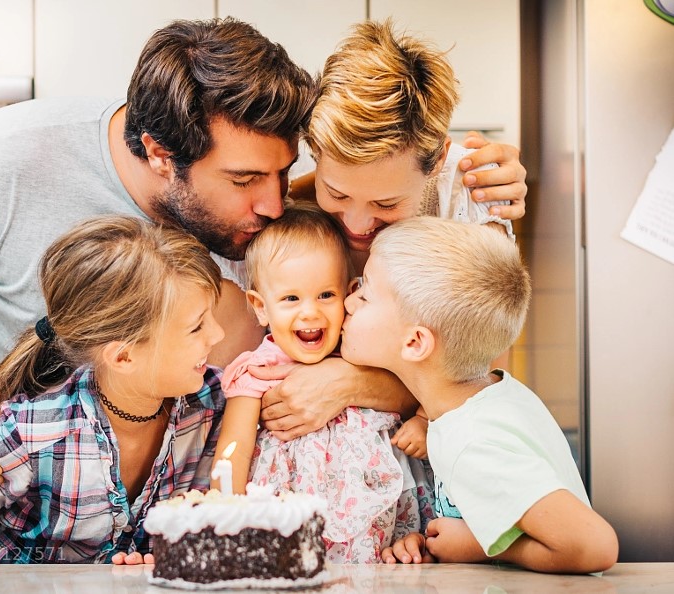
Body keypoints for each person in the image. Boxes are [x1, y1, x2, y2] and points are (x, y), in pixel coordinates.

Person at [0, 17, 526, 562]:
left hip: (129, 521)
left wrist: (352, 382)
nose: (273, 205)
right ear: (161, 155)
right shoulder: (5, 158)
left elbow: (453, 366)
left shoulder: (260, 219)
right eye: (243, 181)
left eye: (286, 172)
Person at [0, 216, 226, 574]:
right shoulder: (36, 429)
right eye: (197, 326)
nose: (218, 334)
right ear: (123, 356)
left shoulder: (213, 403)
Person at [259, 19, 526, 445]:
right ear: (314, 154)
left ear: (437, 162)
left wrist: (350, 382)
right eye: (336, 193)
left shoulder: (470, 193)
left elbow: (481, 378)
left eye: (386, 204)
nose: (358, 225)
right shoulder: (282, 193)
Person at [341, 217, 618, 574]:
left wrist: (480, 547)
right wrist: (437, 545)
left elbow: (593, 545)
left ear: (414, 342)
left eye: (365, 295)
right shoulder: (490, 396)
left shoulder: (472, 441)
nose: (348, 303)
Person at [213, 203, 432, 563]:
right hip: (287, 528)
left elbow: (424, 381)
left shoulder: (363, 352)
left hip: (380, 529)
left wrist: (422, 420)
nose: (310, 311)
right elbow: (231, 454)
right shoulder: (258, 370)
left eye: (325, 295)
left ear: (349, 293)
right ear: (260, 306)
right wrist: (228, 526)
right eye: (291, 298)